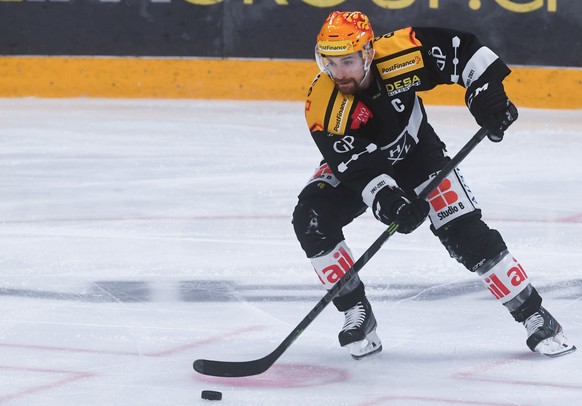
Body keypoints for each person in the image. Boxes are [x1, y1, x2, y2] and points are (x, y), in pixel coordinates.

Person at [292, 11, 576, 360]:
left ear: (367, 53)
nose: (338, 73)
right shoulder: (322, 104)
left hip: (418, 155)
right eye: (329, 63)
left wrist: (487, 96)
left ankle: (535, 314)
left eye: (348, 61)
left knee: (465, 234)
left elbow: (465, 51)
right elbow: (354, 166)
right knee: (311, 217)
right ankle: (357, 312)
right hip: (367, 165)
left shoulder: (400, 53)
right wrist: (388, 199)